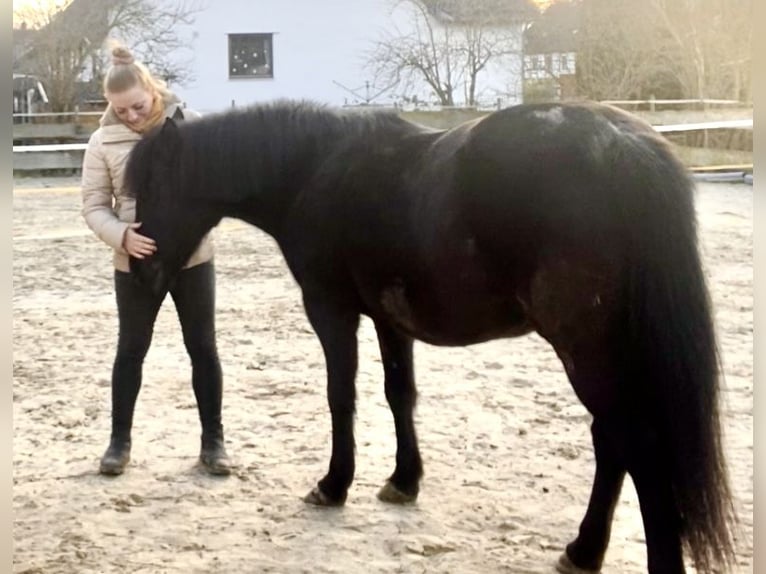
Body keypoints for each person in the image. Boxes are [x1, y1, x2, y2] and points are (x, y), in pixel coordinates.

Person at [81, 45, 232, 476]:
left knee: (202, 348)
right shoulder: (102, 142)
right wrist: (121, 236)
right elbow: (94, 205)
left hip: (193, 261)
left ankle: (213, 442)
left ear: (151, 90)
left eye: (137, 106)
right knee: (131, 349)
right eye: (120, 110)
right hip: (134, 264)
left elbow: (217, 192)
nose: (130, 116)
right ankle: (118, 443)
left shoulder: (193, 128)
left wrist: (193, 230)